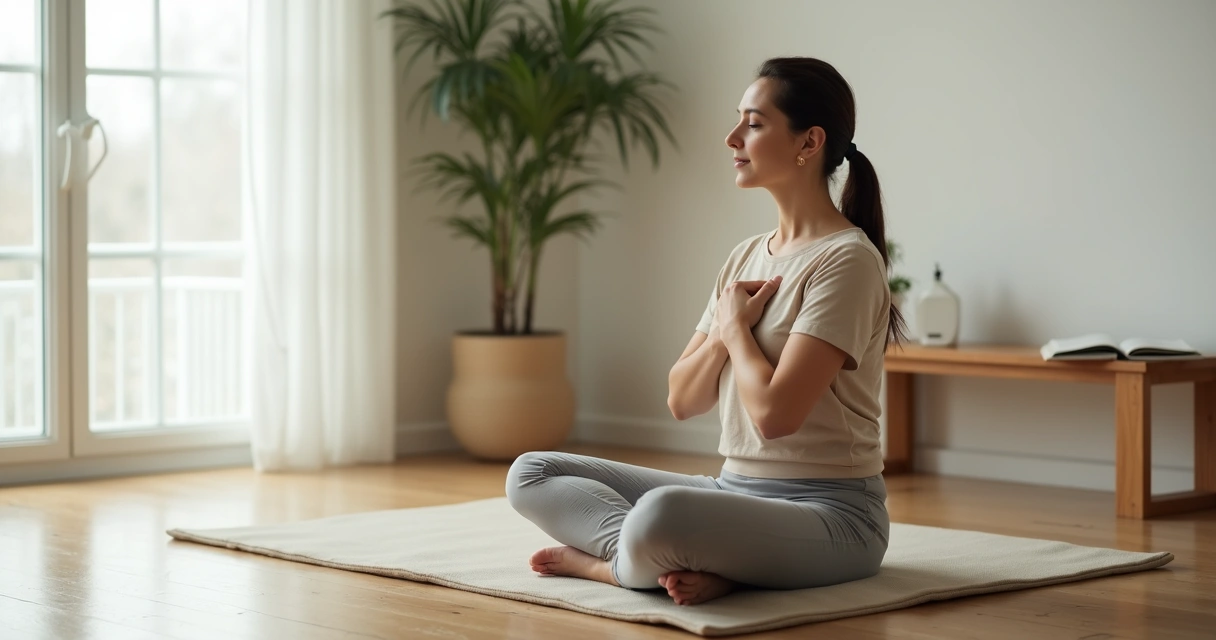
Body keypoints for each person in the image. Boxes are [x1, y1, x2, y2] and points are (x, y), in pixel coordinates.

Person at [505, 56, 909, 606]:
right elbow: (682, 397)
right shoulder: (744, 256)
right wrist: (724, 332)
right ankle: (677, 556)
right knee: (531, 472)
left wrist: (737, 331)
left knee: (662, 513)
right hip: (732, 490)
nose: (732, 137)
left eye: (754, 122)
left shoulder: (846, 261)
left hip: (832, 515)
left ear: (809, 142)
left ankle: (610, 568)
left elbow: (775, 417)